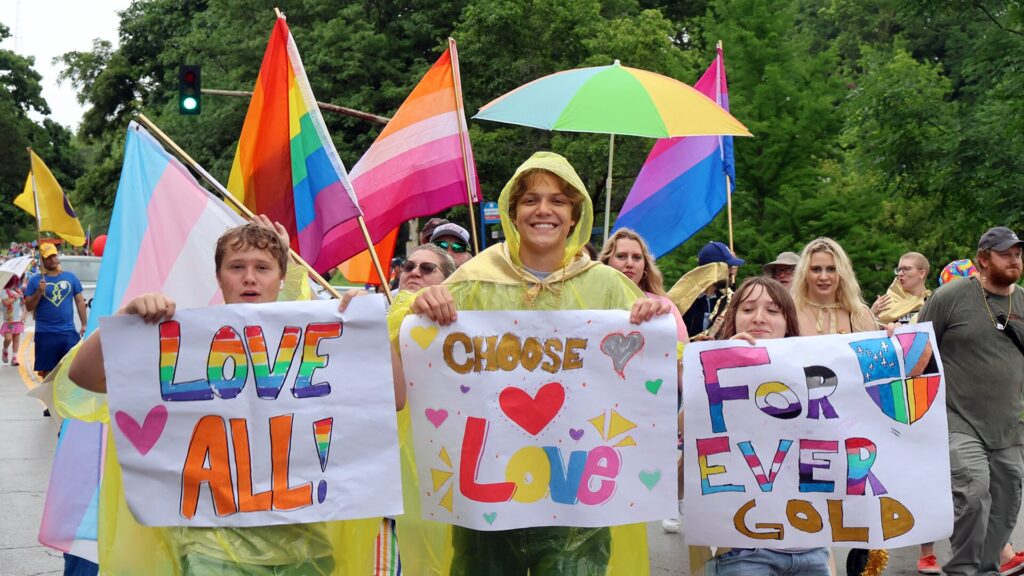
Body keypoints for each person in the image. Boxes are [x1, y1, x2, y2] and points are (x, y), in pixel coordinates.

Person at [390, 151, 670, 575]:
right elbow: (408, 351)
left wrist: (651, 326)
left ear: (575, 215)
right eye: (531, 200)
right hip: (486, 502)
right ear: (513, 212)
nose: (544, 210)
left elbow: (665, 370)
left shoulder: (608, 286)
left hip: (576, 505)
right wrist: (421, 305)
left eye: (557, 200)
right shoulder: (473, 280)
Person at [67, 217, 391, 575]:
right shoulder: (187, 343)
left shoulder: (316, 348)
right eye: (237, 267)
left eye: (262, 267)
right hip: (211, 552)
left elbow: (393, 397)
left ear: (281, 277)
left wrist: (371, 327)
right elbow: (83, 375)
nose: (249, 277)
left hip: (306, 547)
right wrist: (127, 319)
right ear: (219, 276)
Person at [705, 276, 832, 575]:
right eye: (748, 309)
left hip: (811, 547)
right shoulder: (710, 368)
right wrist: (720, 365)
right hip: (742, 550)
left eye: (773, 311)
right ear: (733, 317)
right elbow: (688, 427)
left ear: (788, 322)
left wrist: (894, 348)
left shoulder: (817, 374)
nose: (759, 318)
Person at [918, 226, 1024, 576]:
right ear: (983, 258)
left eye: (1017, 253)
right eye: (1006, 253)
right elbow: (917, 350)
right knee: (975, 492)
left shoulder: (1021, 300)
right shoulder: (950, 296)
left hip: (1009, 423)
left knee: (1007, 501)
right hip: (957, 418)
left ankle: (987, 569)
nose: (1014, 259)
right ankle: (963, 570)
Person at [598, 228, 688, 533]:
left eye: (637, 257)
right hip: (603, 398)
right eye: (621, 256)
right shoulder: (590, 303)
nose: (629, 263)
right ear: (607, 261)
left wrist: (691, 401)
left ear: (645, 265)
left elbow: (681, 358)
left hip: (653, 401)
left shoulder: (665, 307)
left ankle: (666, 502)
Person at [25, 243, 88, 378]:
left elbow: (79, 302)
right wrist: (39, 292)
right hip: (45, 334)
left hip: (68, 332)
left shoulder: (70, 277)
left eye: (54, 255)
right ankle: (50, 399)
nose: (52, 259)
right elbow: (29, 306)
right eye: (48, 257)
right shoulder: (35, 280)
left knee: (72, 370)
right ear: (42, 260)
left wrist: (84, 324)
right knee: (48, 375)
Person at [792, 237, 874, 336]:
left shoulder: (860, 315)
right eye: (816, 269)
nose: (823, 277)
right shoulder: (790, 314)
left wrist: (893, 333)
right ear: (804, 273)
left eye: (831, 269)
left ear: (842, 273)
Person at [683, 241, 743, 339]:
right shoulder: (685, 301)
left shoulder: (726, 298)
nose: (733, 270)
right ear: (712, 269)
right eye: (729, 266)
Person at [870, 252, 931, 325]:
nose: (900, 274)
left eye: (906, 269)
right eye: (899, 270)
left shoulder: (932, 302)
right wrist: (872, 314)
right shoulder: (886, 303)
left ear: (922, 274)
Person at [2, 275, 25, 366]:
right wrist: (16, 297)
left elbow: (23, 304)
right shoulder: (4, 291)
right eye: (15, 281)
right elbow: (6, 302)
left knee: (16, 339)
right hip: (9, 319)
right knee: (8, 338)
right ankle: (5, 349)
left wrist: (22, 301)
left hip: (18, 319)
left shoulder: (18, 291)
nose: (16, 283)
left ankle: (14, 357)